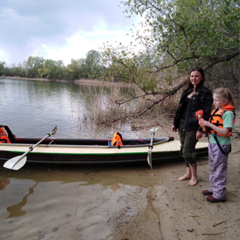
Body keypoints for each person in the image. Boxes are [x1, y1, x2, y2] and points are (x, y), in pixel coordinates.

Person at [172, 67, 213, 186]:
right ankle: (188, 173)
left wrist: (200, 130)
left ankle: (195, 176)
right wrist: (175, 123)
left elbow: (206, 113)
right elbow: (181, 109)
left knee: (188, 151)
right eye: (192, 76)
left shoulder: (205, 93)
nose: (193, 78)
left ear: (201, 78)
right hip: (182, 124)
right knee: (183, 149)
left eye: (196, 76)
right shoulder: (187, 91)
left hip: (193, 126)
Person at [199, 88, 236, 203]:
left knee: (219, 169)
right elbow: (215, 127)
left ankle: (219, 194)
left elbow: (225, 132)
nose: (214, 103)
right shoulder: (218, 110)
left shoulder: (228, 113)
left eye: (216, 100)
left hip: (222, 145)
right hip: (213, 142)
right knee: (213, 166)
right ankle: (214, 188)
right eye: (214, 100)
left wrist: (209, 124)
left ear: (225, 101)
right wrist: (205, 127)